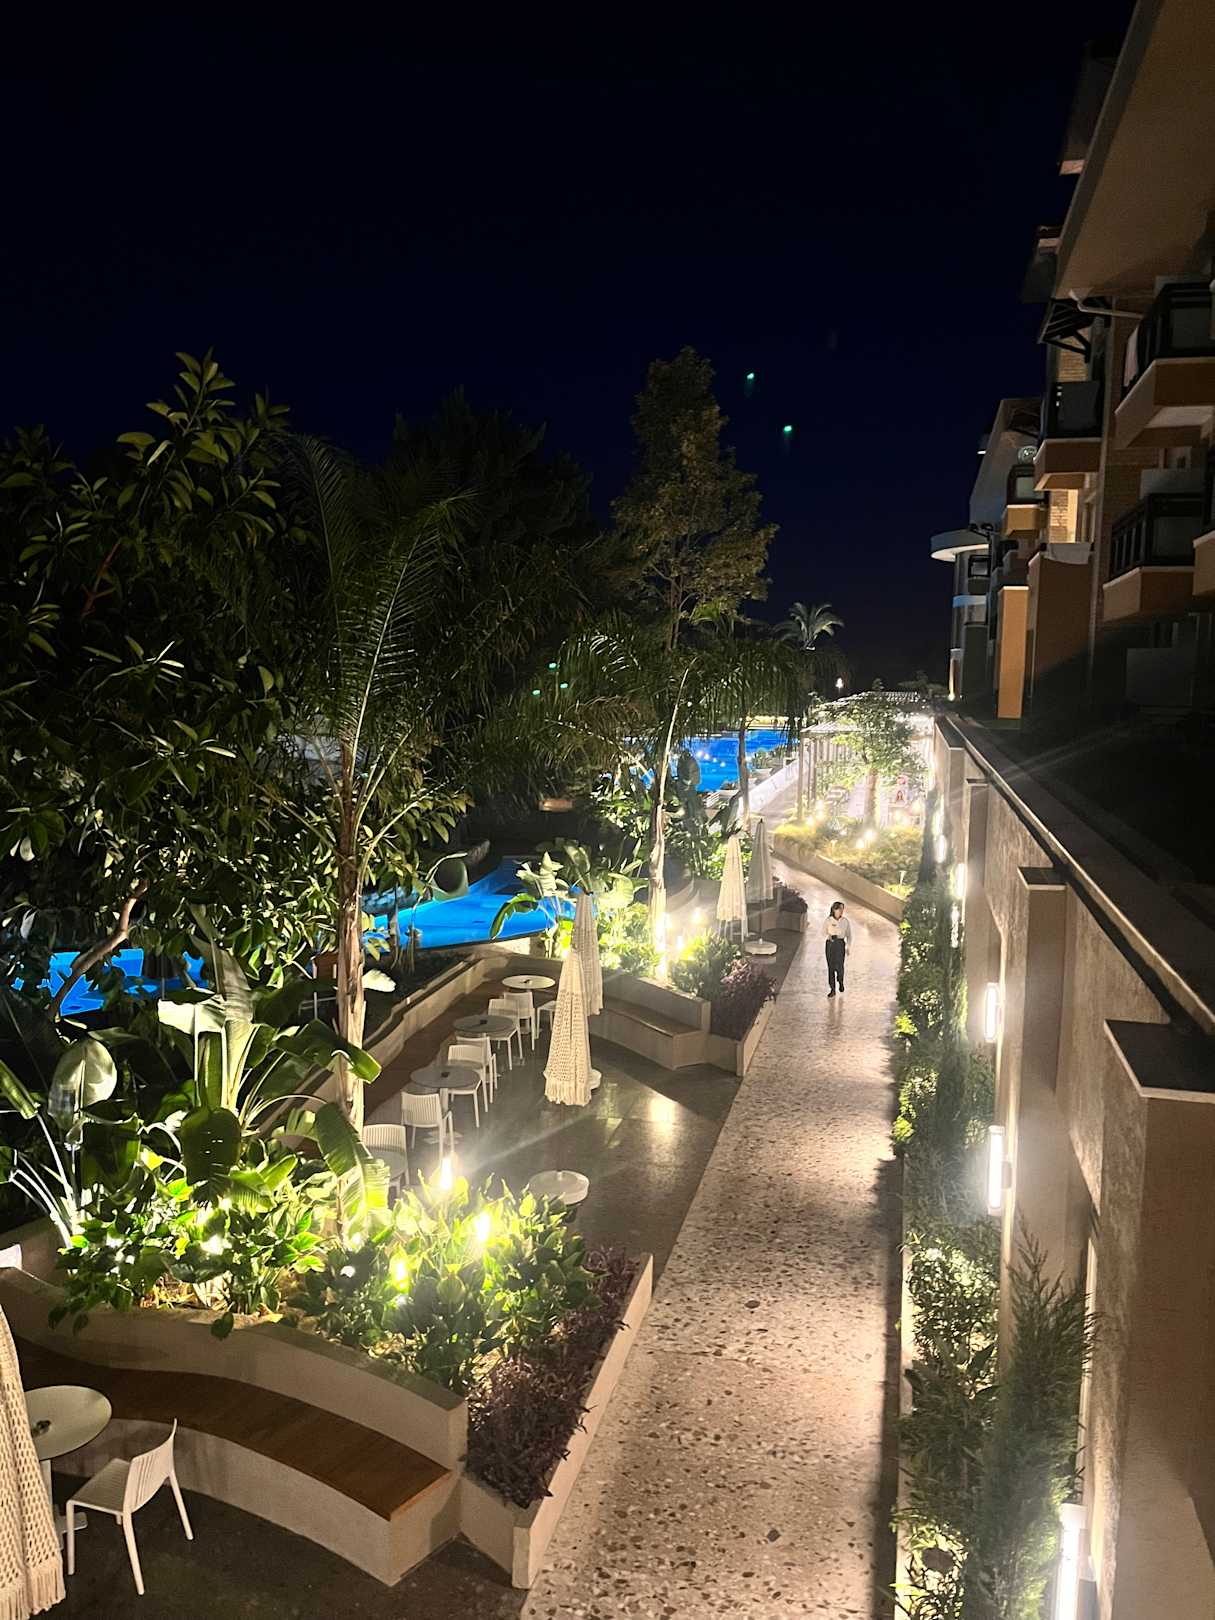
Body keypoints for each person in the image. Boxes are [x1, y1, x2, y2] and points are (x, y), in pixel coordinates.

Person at [824, 900, 851, 997]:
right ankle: (832, 989)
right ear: (834, 909)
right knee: (831, 967)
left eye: (842, 909)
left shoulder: (845, 921)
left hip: (840, 944)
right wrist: (828, 936)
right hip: (830, 944)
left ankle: (840, 980)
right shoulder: (828, 920)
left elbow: (849, 935)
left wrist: (848, 947)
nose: (841, 911)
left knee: (840, 967)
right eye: (840, 909)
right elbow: (823, 932)